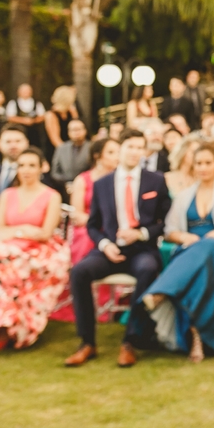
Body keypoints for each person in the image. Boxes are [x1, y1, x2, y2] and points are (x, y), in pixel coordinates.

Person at [64, 130, 169, 367]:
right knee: (79, 272)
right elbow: (93, 225)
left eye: (139, 147)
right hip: (110, 249)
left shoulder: (156, 180)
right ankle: (87, 342)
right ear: (120, 149)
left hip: (142, 249)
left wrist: (141, 233)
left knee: (148, 269)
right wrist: (105, 245)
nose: (135, 152)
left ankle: (130, 341)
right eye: (130, 146)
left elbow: (164, 221)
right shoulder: (102, 184)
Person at [140, 142, 214, 363]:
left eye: (208, 163)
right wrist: (184, 237)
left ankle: (162, 292)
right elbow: (170, 230)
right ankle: (197, 337)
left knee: (209, 245)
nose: (203, 168)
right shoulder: (184, 196)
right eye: (199, 163)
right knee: (199, 273)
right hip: (190, 250)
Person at [0, 147, 66, 350]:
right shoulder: (8, 194)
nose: (26, 170)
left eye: (31, 165)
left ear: (41, 168)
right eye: (21, 165)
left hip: (39, 251)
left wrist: (14, 233)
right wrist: (23, 230)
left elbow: (45, 233)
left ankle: (6, 327)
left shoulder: (51, 196)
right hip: (6, 249)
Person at [51, 137, 122, 324]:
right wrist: (95, 224)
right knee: (87, 238)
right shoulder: (83, 179)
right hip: (88, 226)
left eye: (118, 152)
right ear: (98, 156)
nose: (117, 156)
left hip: (114, 228)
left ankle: (112, 297)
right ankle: (85, 295)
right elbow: (77, 213)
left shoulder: (121, 179)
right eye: (111, 152)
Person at [0, 123, 31, 233]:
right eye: (8, 142)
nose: (13, 145)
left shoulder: (36, 176)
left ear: (27, 143)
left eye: (17, 141)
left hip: (20, 232)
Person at [51, 119, 91, 190]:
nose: (76, 132)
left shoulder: (91, 147)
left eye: (78, 129)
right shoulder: (61, 148)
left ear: (85, 130)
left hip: (87, 186)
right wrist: (66, 184)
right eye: (73, 130)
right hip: (65, 187)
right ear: (68, 132)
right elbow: (55, 172)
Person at [6, 83, 46, 149]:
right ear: (18, 92)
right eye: (24, 91)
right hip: (18, 131)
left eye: (27, 91)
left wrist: (33, 121)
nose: (26, 93)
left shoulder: (37, 103)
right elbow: (10, 117)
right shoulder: (13, 103)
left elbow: (42, 116)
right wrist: (24, 121)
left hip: (34, 133)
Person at [44, 85, 80, 153]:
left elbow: (77, 126)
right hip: (57, 151)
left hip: (70, 147)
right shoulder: (51, 115)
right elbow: (55, 139)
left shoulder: (70, 112)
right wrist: (68, 152)